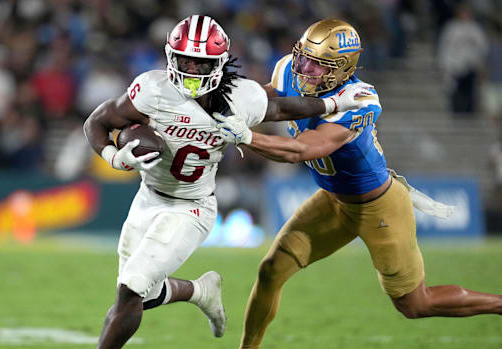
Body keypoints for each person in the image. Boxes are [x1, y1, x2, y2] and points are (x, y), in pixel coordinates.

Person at [83, 15, 370, 349]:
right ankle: (200, 291)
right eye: (184, 60)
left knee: (132, 288)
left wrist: (334, 103)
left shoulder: (239, 97)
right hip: (147, 198)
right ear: (169, 57)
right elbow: (97, 122)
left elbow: (283, 108)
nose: (190, 70)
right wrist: (114, 158)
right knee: (136, 297)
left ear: (218, 64)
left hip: (191, 207)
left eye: (199, 62)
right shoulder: (152, 89)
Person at [215, 19, 502, 349]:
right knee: (270, 271)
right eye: (303, 57)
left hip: (378, 207)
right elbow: (266, 99)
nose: (304, 68)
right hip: (333, 200)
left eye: (317, 64)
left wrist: (245, 136)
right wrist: (230, 100)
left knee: (415, 304)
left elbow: (301, 149)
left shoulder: (358, 98)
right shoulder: (288, 70)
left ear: (342, 68)